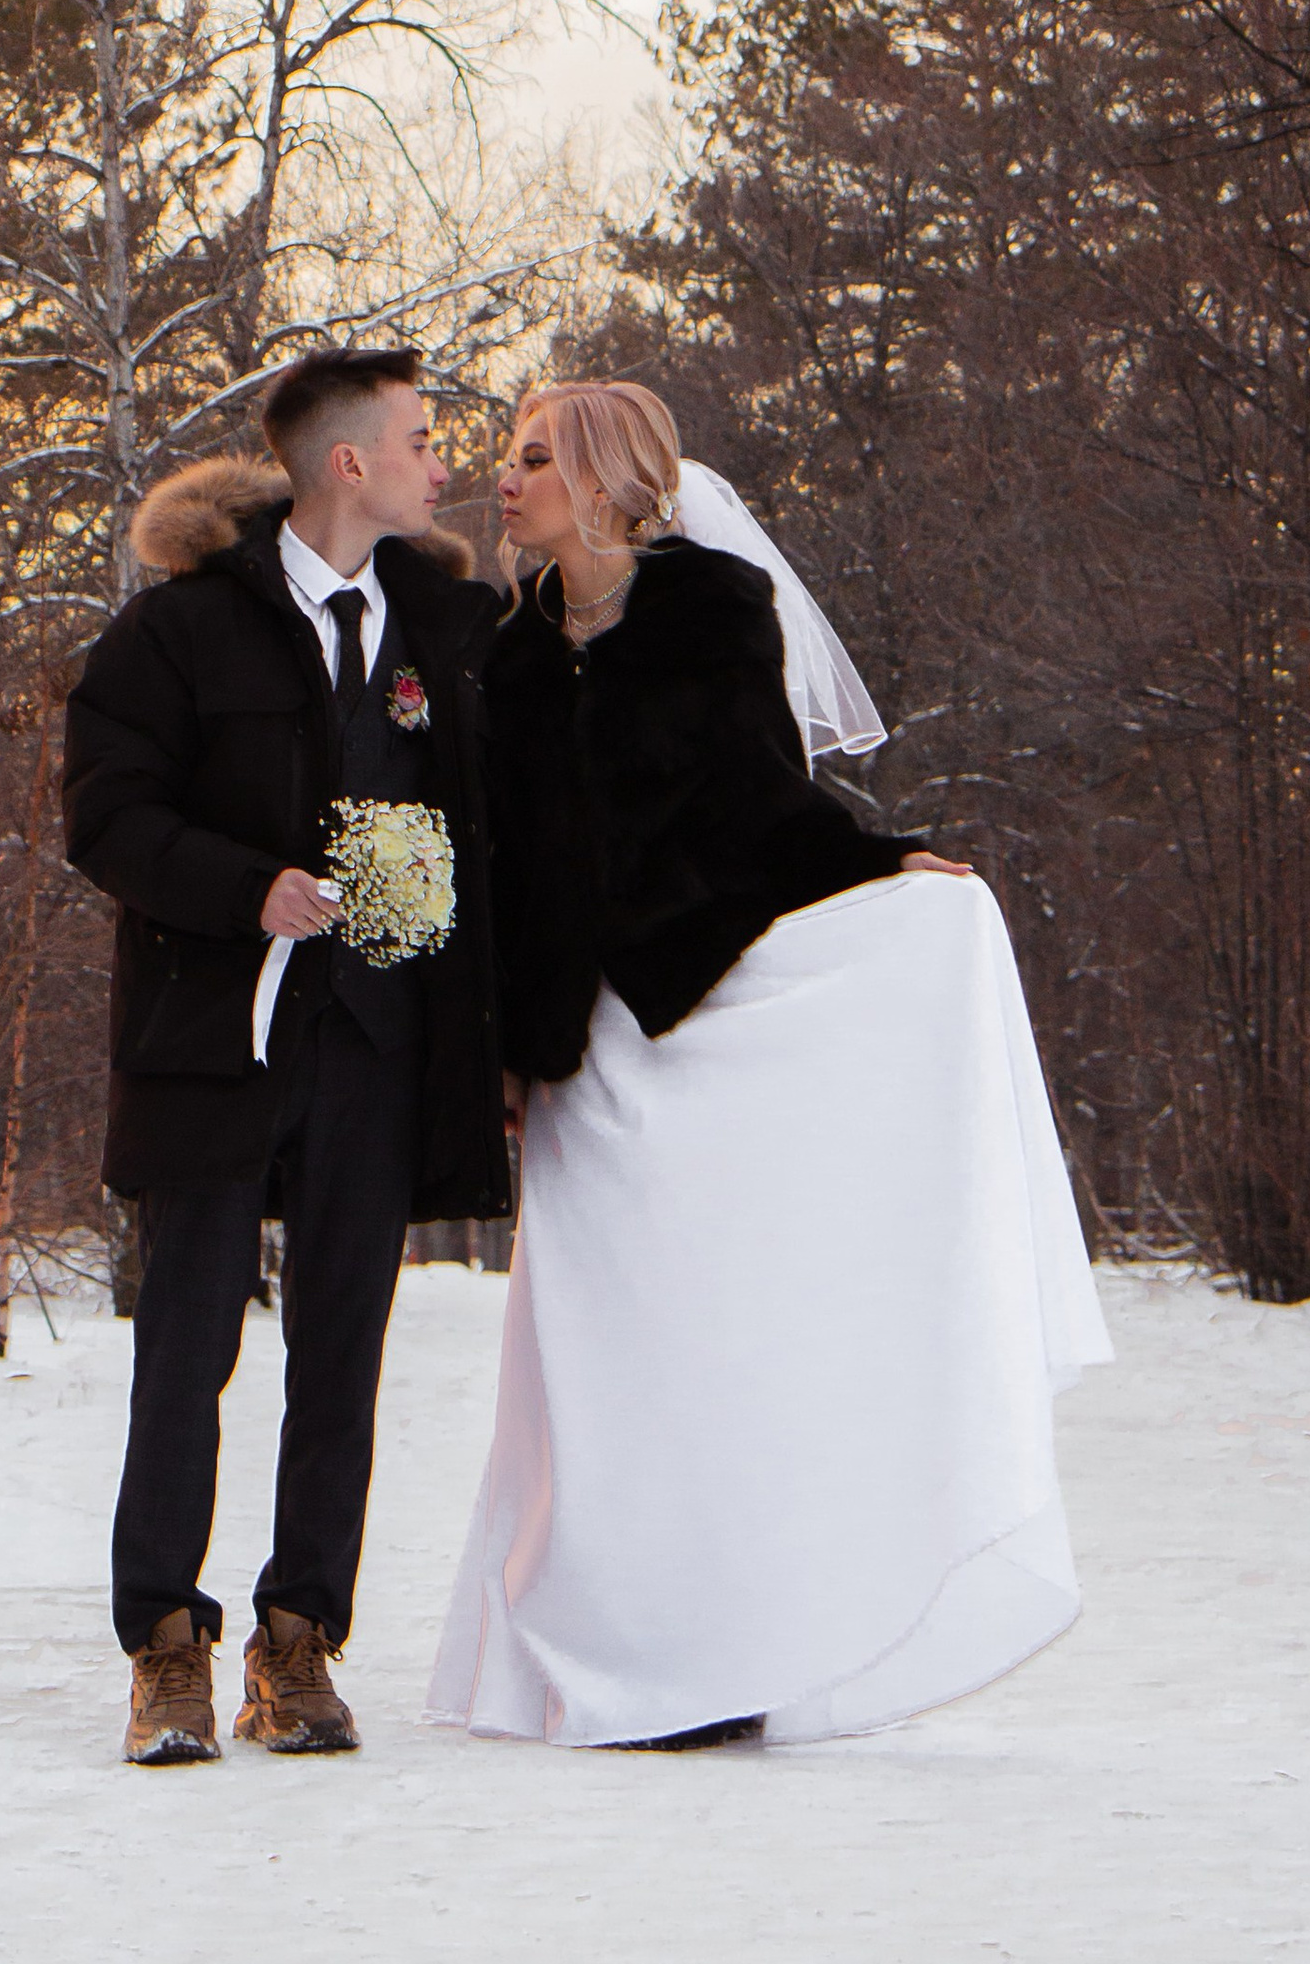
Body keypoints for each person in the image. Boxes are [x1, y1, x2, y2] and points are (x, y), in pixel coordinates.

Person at [429, 378, 1112, 1751]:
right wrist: (499, 1048)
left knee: (703, 1348)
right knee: (588, 1364)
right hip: (574, 1049)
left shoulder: (714, 614)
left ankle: (723, 1654)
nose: (506, 481)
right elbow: (489, 867)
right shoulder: (497, 655)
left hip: (686, 1011)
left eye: (536, 458)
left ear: (613, 478)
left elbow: (764, 805)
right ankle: (605, 1656)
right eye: (507, 459)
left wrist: (882, 864)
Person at [64, 345, 507, 1767]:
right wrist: (243, 884)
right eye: (421, 438)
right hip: (214, 1041)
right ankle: (168, 1650)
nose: (444, 464)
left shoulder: (450, 623)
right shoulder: (178, 632)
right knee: (184, 1347)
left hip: (380, 1047)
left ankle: (299, 1639)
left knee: (343, 1355)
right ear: (347, 464)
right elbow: (108, 818)